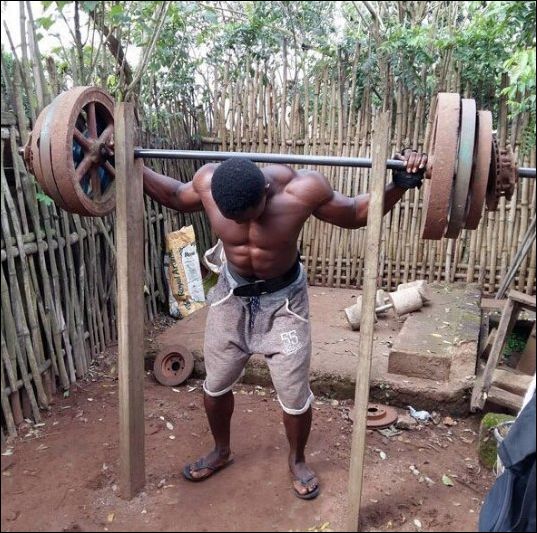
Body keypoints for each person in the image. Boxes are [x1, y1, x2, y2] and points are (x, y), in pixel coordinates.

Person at [142, 149, 427, 499]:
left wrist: (398, 185)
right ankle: (221, 450)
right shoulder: (207, 182)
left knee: (294, 395)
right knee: (214, 386)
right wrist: (129, 164)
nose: (242, 225)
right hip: (232, 297)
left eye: (251, 216)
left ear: (265, 191)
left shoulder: (301, 190)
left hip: (284, 304)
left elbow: (355, 212)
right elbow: (174, 195)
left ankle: (297, 459)